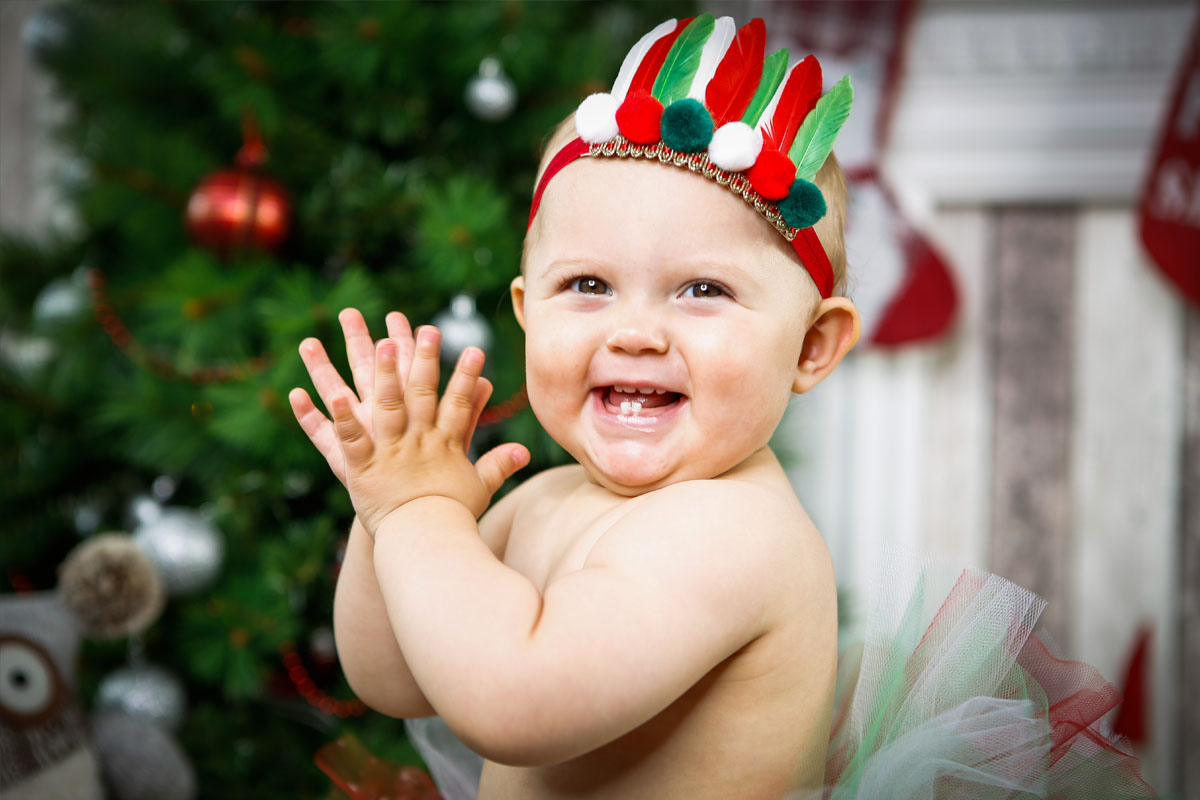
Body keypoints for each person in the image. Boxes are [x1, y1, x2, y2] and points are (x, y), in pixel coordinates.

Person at [291, 15, 1156, 800]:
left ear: (812, 347)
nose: (634, 331)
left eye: (701, 290)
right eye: (587, 285)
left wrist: (422, 509)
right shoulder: (545, 501)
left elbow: (509, 704)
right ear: (526, 311)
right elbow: (392, 676)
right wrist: (384, 512)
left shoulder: (732, 533)